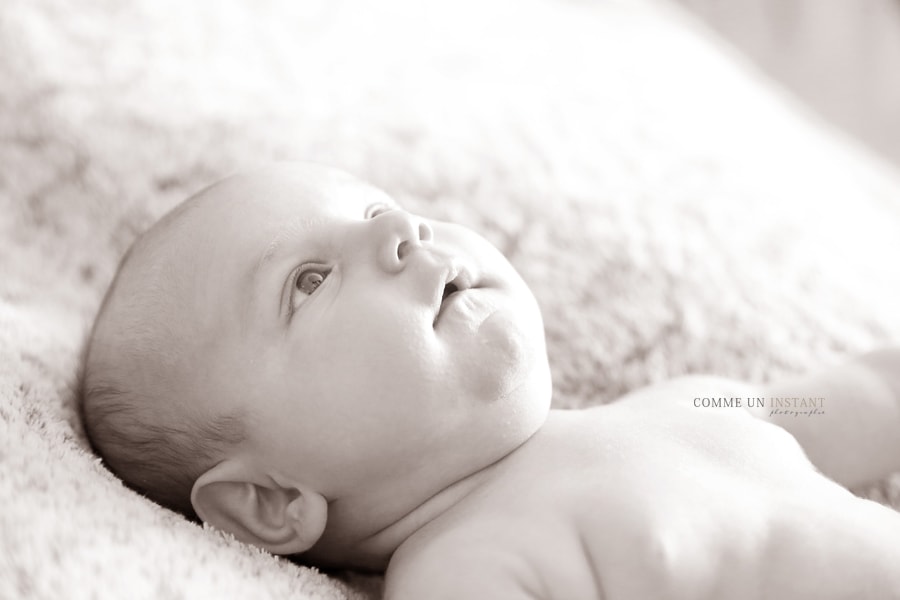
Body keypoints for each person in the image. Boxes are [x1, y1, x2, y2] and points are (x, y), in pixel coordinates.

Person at [80, 162, 900, 599]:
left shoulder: (687, 403)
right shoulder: (466, 567)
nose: (404, 230)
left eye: (377, 210)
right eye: (310, 280)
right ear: (271, 500)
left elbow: (862, 399)